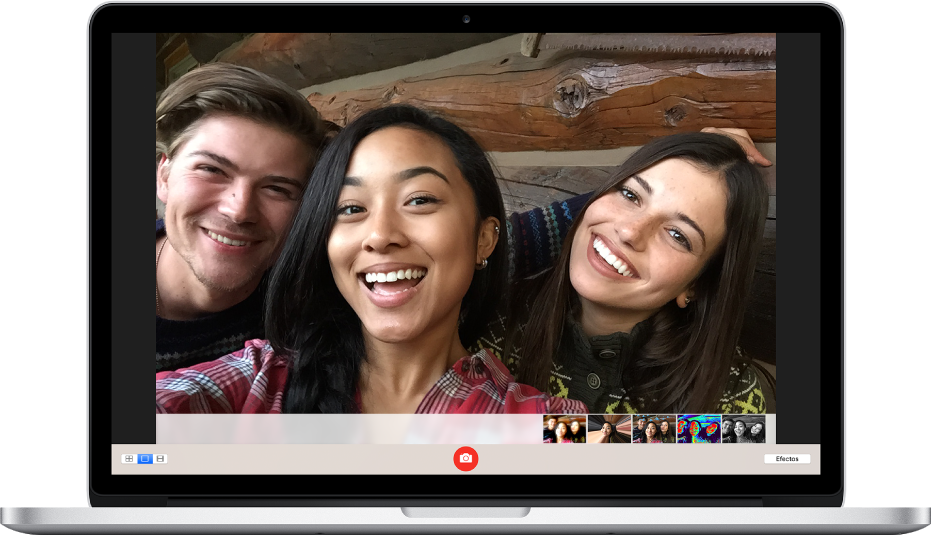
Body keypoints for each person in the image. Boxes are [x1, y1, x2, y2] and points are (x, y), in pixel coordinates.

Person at [156, 105, 588, 415]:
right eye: (349, 208)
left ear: (484, 239)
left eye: (419, 200)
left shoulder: (531, 422)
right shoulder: (261, 379)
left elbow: (646, 451)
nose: (380, 235)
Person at [483, 132, 770, 414]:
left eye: (677, 235)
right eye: (630, 194)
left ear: (696, 285)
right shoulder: (485, 329)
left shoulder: (731, 397)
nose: (630, 231)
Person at [154, 63, 337, 372]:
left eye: (277, 189)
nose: (239, 210)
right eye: (212, 170)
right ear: (164, 175)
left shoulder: (309, 303)